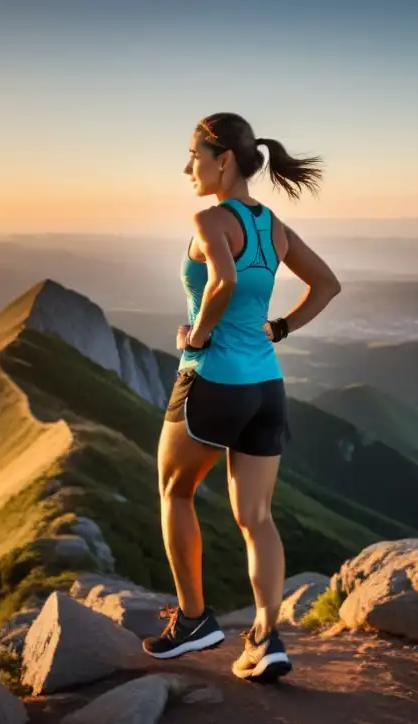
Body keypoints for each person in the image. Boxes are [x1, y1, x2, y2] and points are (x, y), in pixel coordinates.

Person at [141, 112, 342, 683]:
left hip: (212, 380)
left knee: (174, 491)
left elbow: (223, 283)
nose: (188, 168)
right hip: (266, 387)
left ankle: (194, 620)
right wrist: (280, 329)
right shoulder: (273, 225)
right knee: (256, 516)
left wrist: (195, 338)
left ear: (222, 158)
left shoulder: (209, 219)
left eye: (194, 156)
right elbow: (326, 284)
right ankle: (265, 638)